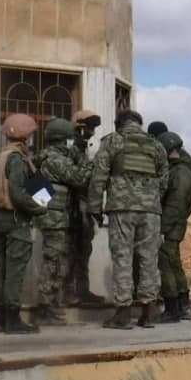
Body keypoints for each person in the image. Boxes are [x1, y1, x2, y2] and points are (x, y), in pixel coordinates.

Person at [87, 109, 168, 329]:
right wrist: (150, 198)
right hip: (151, 210)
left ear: (118, 124)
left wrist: (95, 207)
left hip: (122, 208)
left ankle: (123, 314)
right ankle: (149, 312)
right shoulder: (156, 145)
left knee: (123, 257)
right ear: (139, 124)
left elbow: (99, 176)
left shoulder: (112, 141)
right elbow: (164, 179)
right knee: (149, 260)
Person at [0, 113, 47, 334]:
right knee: (15, 272)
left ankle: (2, 318)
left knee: (1, 269)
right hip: (16, 222)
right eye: (30, 134)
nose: (31, 138)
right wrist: (39, 208)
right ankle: (13, 320)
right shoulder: (18, 160)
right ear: (24, 135)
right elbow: (18, 194)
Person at [32, 117, 91, 325]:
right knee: (53, 261)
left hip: (55, 216)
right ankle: (44, 307)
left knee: (59, 260)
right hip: (54, 218)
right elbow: (79, 179)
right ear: (62, 140)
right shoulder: (55, 159)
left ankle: (51, 303)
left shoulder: (47, 157)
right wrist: (85, 161)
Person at [156, 131, 191, 322]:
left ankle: (173, 309)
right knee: (173, 263)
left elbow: (177, 204)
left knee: (167, 265)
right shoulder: (182, 169)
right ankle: (182, 307)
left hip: (170, 225)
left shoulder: (180, 172)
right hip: (174, 224)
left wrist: (161, 227)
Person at [68, 109, 107, 306]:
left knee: (84, 250)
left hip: (83, 208)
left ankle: (82, 292)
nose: (91, 132)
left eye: (93, 129)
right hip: (70, 208)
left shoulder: (84, 148)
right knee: (69, 252)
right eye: (88, 128)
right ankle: (67, 294)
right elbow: (74, 178)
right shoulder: (69, 149)